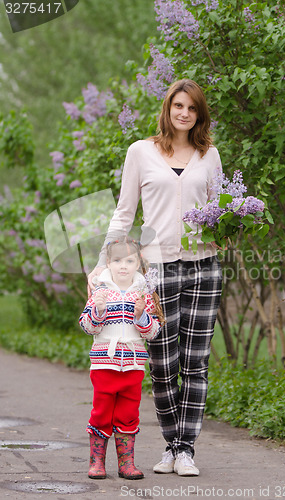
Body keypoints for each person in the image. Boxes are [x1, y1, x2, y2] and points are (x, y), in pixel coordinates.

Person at [88, 79, 223, 476]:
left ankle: (186, 451)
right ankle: (169, 444)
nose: (184, 113)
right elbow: (124, 213)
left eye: (192, 108)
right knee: (163, 363)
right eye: (178, 105)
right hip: (157, 270)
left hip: (205, 267)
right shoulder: (141, 153)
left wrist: (230, 231)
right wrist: (101, 263)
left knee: (196, 364)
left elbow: (219, 209)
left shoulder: (209, 154)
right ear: (168, 108)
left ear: (199, 114)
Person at [80, 237, 162, 480]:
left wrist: (141, 316)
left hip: (134, 365)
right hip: (105, 364)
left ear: (139, 263)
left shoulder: (145, 296)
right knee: (101, 412)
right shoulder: (99, 292)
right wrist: (99, 311)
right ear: (108, 263)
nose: (123, 266)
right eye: (117, 260)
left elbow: (154, 331)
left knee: (128, 412)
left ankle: (127, 463)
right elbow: (87, 326)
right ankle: (97, 463)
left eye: (129, 260)